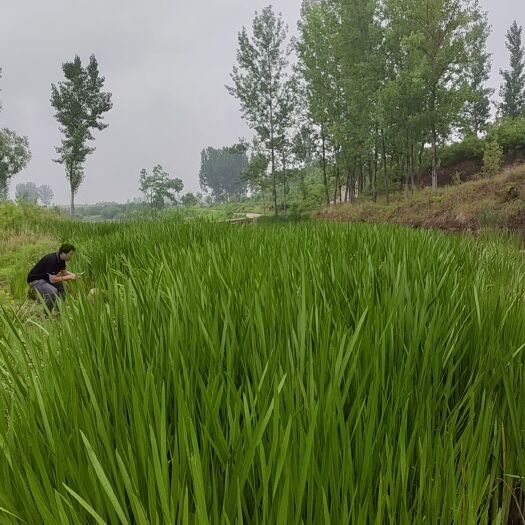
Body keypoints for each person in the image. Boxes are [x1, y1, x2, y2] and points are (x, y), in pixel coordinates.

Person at [27, 243, 78, 311]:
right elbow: (53, 280)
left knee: (64, 289)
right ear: (63, 253)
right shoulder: (53, 261)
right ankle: (47, 314)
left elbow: (64, 272)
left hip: (46, 279)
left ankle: (60, 311)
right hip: (35, 281)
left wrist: (75, 275)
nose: (71, 256)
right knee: (53, 292)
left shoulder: (61, 260)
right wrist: (70, 277)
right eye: (70, 254)